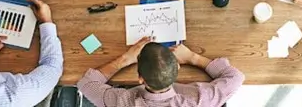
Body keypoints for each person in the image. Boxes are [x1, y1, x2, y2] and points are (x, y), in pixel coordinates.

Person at [77, 37, 244, 107]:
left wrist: (125, 59)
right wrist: (192, 57)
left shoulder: (124, 102)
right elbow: (235, 77)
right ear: (177, 68)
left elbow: (86, 84)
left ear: (140, 79)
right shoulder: (196, 100)